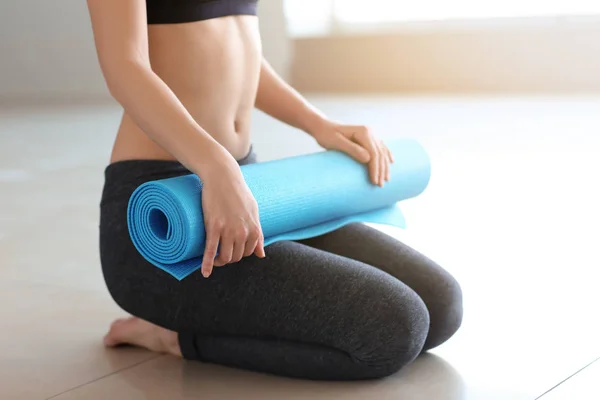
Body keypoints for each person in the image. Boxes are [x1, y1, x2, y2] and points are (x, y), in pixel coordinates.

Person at [90, 0, 463, 381]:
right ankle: (175, 338)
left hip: (247, 187)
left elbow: (235, 49)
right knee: (395, 327)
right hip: (160, 220)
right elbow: (125, 65)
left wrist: (318, 123)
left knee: (441, 304)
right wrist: (214, 165)